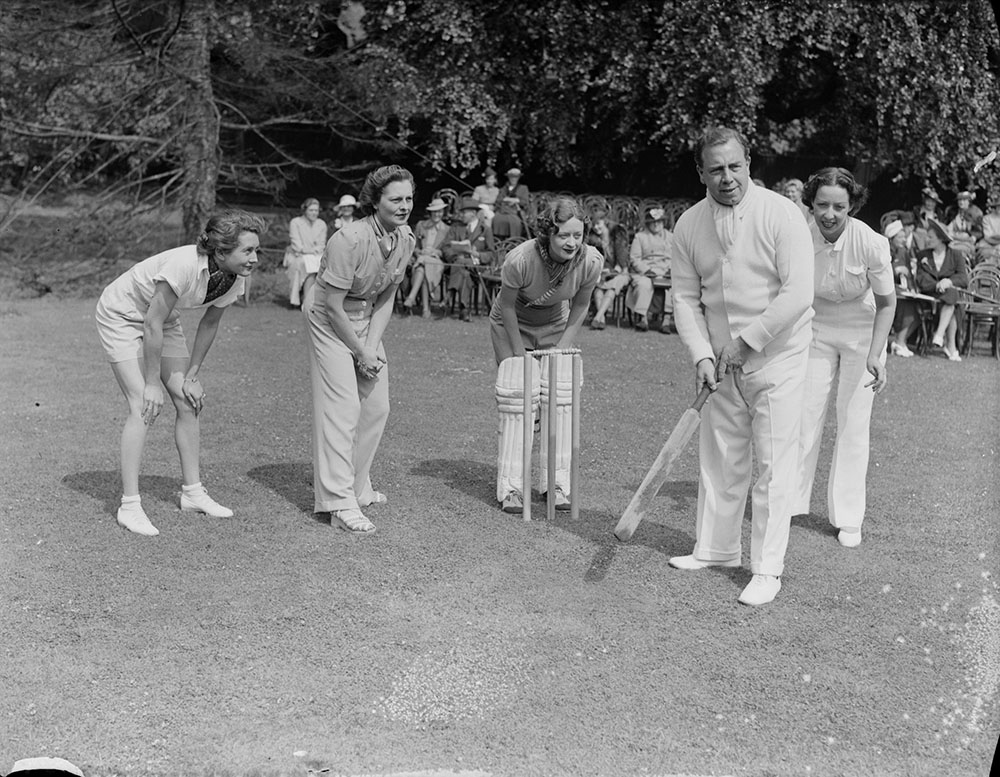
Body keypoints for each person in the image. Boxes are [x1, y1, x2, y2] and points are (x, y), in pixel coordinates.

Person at [669, 126, 813, 607]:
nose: (726, 177)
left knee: (774, 463)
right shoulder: (689, 224)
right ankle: (716, 549)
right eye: (715, 169)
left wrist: (748, 342)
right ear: (701, 172)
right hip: (721, 363)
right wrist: (703, 355)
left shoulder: (782, 213)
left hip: (780, 356)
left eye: (734, 166)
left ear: (748, 161)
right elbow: (686, 298)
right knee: (721, 456)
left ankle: (767, 570)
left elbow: (797, 293)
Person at [95, 209, 267, 536]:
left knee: (188, 403)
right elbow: (150, 323)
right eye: (247, 250)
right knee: (143, 406)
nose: (254, 258)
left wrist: (193, 375)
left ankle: (193, 493)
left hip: (162, 319)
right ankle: (129, 506)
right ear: (220, 251)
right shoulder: (183, 264)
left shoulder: (235, 277)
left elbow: (210, 322)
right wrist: (150, 382)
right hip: (121, 315)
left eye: (256, 250)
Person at [303, 165, 415, 534]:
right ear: (375, 201)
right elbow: (332, 305)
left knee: (377, 405)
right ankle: (338, 503)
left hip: (366, 321)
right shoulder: (347, 239)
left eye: (409, 199)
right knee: (343, 405)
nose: (404, 206)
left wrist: (370, 348)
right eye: (395, 199)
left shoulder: (406, 239)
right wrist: (358, 350)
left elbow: (386, 298)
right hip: (328, 319)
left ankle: (356, 486)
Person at [793, 168, 895, 549]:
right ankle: (790, 502)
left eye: (839, 206)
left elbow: (887, 304)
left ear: (852, 205)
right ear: (811, 204)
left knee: (853, 422)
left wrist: (875, 355)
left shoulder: (871, 242)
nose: (829, 214)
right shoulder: (799, 236)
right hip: (816, 328)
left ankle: (848, 518)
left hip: (862, 331)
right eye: (822, 205)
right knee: (803, 414)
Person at [490, 197, 601, 513]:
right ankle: (512, 489)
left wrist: (562, 348)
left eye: (577, 235)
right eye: (564, 235)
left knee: (559, 403)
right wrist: (518, 355)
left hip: (554, 324)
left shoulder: (591, 261)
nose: (571, 242)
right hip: (512, 323)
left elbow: (580, 306)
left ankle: (556, 484)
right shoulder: (520, 259)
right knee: (520, 401)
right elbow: (507, 307)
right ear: (548, 234)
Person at [915, 218, 968, 362]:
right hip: (929, 294)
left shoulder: (955, 255)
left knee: (951, 297)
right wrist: (937, 285)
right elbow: (920, 278)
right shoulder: (923, 255)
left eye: (930, 237)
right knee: (952, 300)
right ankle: (950, 346)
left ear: (941, 239)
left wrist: (949, 281)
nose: (927, 239)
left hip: (947, 295)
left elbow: (964, 278)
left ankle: (939, 335)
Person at [442, 196, 495, 321]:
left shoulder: (485, 229)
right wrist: (455, 255)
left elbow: (491, 253)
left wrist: (478, 255)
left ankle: (449, 294)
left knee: (463, 264)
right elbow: (445, 247)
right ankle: (464, 309)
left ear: (473, 213)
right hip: (460, 266)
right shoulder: (456, 228)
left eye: (465, 212)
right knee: (464, 273)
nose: (462, 215)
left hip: (477, 267)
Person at [625, 206, 675, 333]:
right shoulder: (640, 236)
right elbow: (634, 258)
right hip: (647, 271)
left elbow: (678, 257)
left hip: (666, 270)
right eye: (653, 222)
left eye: (659, 221)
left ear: (663, 222)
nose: (656, 224)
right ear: (648, 224)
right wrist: (647, 270)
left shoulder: (672, 237)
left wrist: (671, 270)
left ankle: (666, 321)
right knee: (643, 284)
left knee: (673, 286)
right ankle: (643, 319)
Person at [401, 197, 450, 317]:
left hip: (436, 261)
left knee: (423, 266)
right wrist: (419, 252)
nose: (437, 214)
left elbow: (446, 250)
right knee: (422, 268)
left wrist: (435, 252)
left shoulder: (447, 229)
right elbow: (413, 245)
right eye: (434, 211)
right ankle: (425, 309)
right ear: (430, 212)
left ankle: (412, 297)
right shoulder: (421, 225)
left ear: (443, 213)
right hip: (420, 259)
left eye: (439, 211)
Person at [586, 208, 630, 330]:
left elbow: (623, 260)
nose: (596, 227)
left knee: (612, 287)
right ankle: (602, 320)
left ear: (605, 222)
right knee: (598, 289)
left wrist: (618, 269)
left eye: (598, 224)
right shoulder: (594, 240)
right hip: (604, 274)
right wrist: (602, 269)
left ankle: (598, 316)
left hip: (621, 273)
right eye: (593, 225)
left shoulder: (617, 236)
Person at [282, 197, 328, 308]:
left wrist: (313, 251)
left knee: (319, 266)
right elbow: (296, 244)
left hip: (316, 255)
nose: (314, 213)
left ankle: (312, 300)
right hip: (297, 255)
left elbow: (321, 244)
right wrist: (308, 250)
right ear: (305, 210)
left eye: (316, 210)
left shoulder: (321, 224)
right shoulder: (296, 222)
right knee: (304, 265)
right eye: (311, 210)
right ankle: (304, 300)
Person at [886, 218, 920, 358]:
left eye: (904, 236)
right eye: (900, 237)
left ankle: (900, 341)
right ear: (892, 238)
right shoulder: (886, 249)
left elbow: (909, 276)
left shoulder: (904, 251)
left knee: (918, 310)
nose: (903, 239)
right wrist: (895, 269)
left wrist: (912, 288)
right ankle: (899, 342)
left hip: (903, 291)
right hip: (889, 290)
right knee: (909, 307)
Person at [492, 167, 530, 239]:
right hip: (503, 210)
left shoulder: (523, 188)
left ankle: (514, 239)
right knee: (496, 219)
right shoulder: (504, 188)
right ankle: (499, 238)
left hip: (516, 211)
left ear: (518, 178)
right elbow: (499, 200)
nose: (513, 179)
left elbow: (525, 202)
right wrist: (509, 199)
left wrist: (516, 200)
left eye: (515, 177)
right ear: (508, 177)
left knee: (515, 222)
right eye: (511, 177)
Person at [912, 187, 944, 251]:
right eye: (928, 201)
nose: (930, 204)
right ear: (924, 200)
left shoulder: (938, 212)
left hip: (934, 235)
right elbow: (914, 224)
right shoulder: (917, 210)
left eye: (933, 202)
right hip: (919, 235)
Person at [976, 193, 1000, 265]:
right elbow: (988, 236)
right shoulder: (987, 218)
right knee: (985, 251)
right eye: (998, 206)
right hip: (988, 243)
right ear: (995, 207)